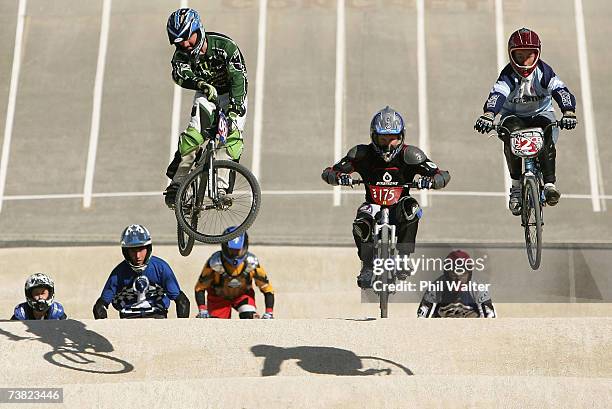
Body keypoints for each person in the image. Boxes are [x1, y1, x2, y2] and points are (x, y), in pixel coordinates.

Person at [321, 106, 451, 289]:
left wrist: (431, 181)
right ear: (373, 137)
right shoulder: (361, 154)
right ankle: (367, 266)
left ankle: (404, 258)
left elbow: (442, 174)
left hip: (399, 206)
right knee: (360, 224)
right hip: (372, 205)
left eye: (393, 139)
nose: (388, 145)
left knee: (412, 208)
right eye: (383, 139)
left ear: (401, 137)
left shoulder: (411, 154)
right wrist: (339, 177)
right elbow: (329, 172)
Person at [474, 27, 577, 215]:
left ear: (537, 54)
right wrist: (489, 115)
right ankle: (515, 187)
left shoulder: (544, 72)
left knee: (546, 137)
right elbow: (497, 95)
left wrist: (568, 112)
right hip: (513, 117)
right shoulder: (507, 76)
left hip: (541, 114)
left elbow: (561, 91)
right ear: (511, 55)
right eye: (519, 56)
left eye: (529, 56)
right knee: (511, 138)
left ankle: (549, 185)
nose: (524, 61)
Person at [164, 8, 248, 208]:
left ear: (198, 30)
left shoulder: (225, 47)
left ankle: (221, 189)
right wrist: (200, 84)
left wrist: (235, 108)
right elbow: (179, 74)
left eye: (187, 38)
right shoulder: (181, 56)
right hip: (206, 94)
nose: (184, 44)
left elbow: (239, 78)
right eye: (178, 42)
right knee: (193, 136)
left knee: (231, 140)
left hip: (232, 95)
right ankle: (177, 184)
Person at [92, 224, 190, 319]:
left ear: (148, 248)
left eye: (141, 249)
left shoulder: (161, 268)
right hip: (128, 320)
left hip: (157, 317)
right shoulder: (118, 273)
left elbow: (182, 301)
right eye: (133, 251)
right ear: (126, 252)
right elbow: (100, 306)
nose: (138, 255)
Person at [194, 227, 274, 319]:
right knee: (217, 325)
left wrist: (269, 312)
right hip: (218, 297)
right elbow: (200, 288)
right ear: (224, 247)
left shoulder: (251, 263)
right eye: (232, 250)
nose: (235, 255)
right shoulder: (215, 262)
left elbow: (267, 289)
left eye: (238, 250)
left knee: (249, 317)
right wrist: (202, 310)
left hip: (243, 296)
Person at [417, 250, 496, 318]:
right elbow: (422, 317)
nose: (458, 278)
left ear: (469, 273)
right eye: (454, 273)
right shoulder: (436, 287)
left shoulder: (478, 288)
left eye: (463, 273)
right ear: (447, 273)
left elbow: (490, 318)